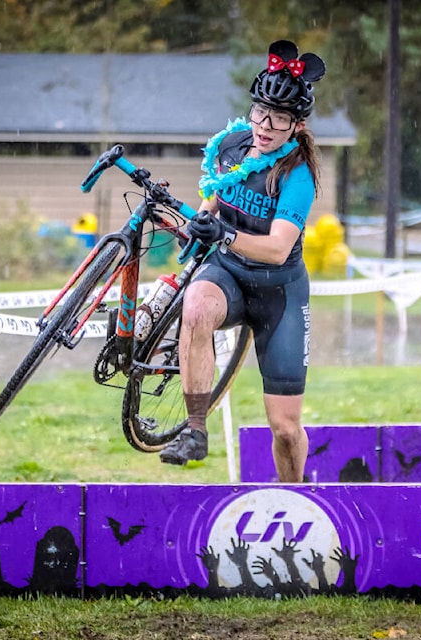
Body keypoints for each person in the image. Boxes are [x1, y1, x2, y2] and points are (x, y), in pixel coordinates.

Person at [156, 40, 325, 483]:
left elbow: (276, 248)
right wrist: (198, 222)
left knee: (285, 428)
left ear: (297, 124)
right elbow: (214, 197)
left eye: (280, 118)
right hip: (228, 274)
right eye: (260, 112)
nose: (265, 126)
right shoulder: (232, 144)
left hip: (278, 294)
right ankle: (195, 431)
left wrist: (227, 234)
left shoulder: (297, 176)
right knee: (195, 307)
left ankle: (294, 494)